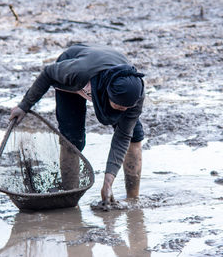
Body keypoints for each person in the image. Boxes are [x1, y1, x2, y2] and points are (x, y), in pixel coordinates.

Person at [9, 44, 145, 209]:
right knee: (72, 139)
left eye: (127, 108)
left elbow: (123, 136)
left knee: (134, 135)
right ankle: (69, 198)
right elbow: (48, 73)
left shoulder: (135, 93)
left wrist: (108, 182)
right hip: (74, 78)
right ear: (108, 93)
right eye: (119, 106)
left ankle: (133, 197)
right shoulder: (77, 72)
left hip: (107, 68)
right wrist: (24, 106)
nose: (124, 110)